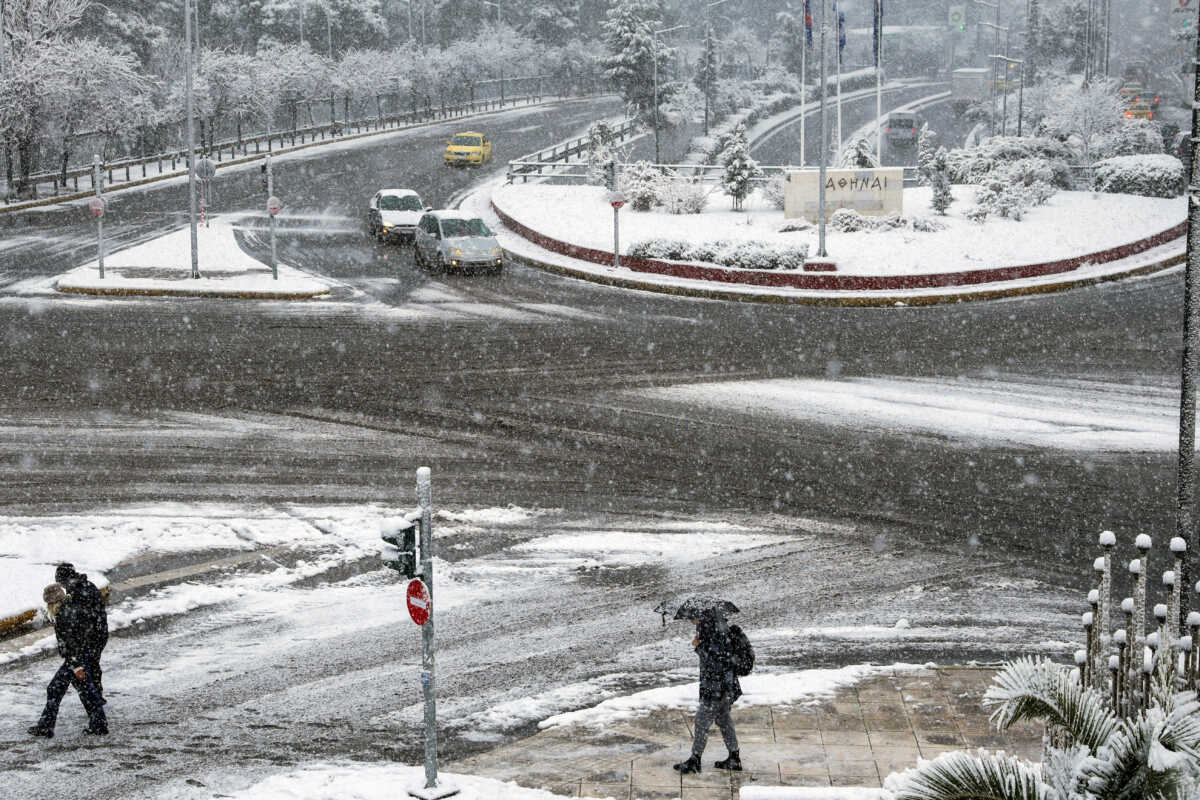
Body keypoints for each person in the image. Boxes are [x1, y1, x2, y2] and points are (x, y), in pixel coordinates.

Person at [28, 582, 108, 737]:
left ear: (52, 603)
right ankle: (99, 724)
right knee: (86, 691)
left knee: (56, 689)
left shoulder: (64, 615)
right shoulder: (72, 608)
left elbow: (70, 643)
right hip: (83, 656)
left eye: (48, 603)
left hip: (76, 659)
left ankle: (46, 727)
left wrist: (77, 666)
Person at [674, 608, 741, 774]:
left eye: (691, 617)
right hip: (725, 685)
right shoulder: (719, 626)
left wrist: (699, 646)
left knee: (701, 722)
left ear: (700, 616)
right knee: (724, 720)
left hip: (715, 687)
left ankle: (695, 760)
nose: (690, 620)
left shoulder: (711, 630)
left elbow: (715, 660)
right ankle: (734, 757)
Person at [54, 563, 108, 700]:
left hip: (90, 638)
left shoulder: (75, 592)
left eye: (60, 582)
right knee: (92, 665)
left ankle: (94, 699)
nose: (61, 586)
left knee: (84, 670)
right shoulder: (87, 585)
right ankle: (96, 695)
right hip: (100, 633)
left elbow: (77, 621)